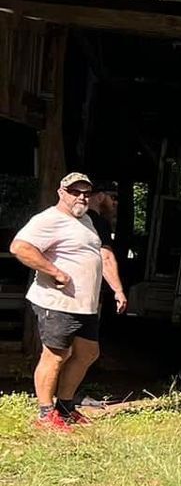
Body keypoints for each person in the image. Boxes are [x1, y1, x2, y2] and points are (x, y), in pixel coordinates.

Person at [10, 171, 127, 431]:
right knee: (56, 355)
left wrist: (117, 289)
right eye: (74, 192)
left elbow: (102, 258)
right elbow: (20, 247)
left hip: (84, 304)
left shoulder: (87, 220)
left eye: (85, 193)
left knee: (87, 353)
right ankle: (45, 413)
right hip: (58, 302)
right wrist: (55, 272)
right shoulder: (49, 219)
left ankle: (65, 407)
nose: (81, 197)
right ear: (61, 193)